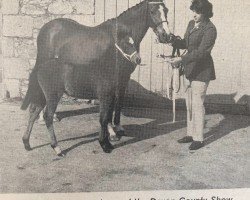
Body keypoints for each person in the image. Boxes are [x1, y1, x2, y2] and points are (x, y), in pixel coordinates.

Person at [169, 0, 217, 150]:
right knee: (189, 104)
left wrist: (181, 59)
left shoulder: (210, 29)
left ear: (206, 13)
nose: (194, 15)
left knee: (197, 104)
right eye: (193, 11)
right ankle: (190, 134)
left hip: (202, 71)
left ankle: (199, 138)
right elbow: (186, 44)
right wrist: (173, 41)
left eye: (198, 12)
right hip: (189, 69)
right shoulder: (191, 24)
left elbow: (202, 52)